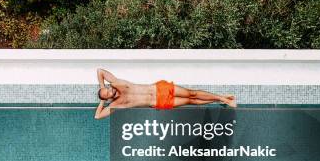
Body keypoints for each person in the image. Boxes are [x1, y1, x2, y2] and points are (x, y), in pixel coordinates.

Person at [94, 68, 236, 119]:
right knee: (190, 101)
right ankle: (221, 99)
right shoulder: (116, 105)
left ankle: (223, 98)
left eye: (107, 88)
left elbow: (99, 71)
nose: (109, 90)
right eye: (107, 93)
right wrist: (102, 101)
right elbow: (98, 116)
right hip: (157, 102)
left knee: (191, 93)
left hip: (158, 89)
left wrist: (102, 87)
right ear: (108, 98)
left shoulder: (117, 83)